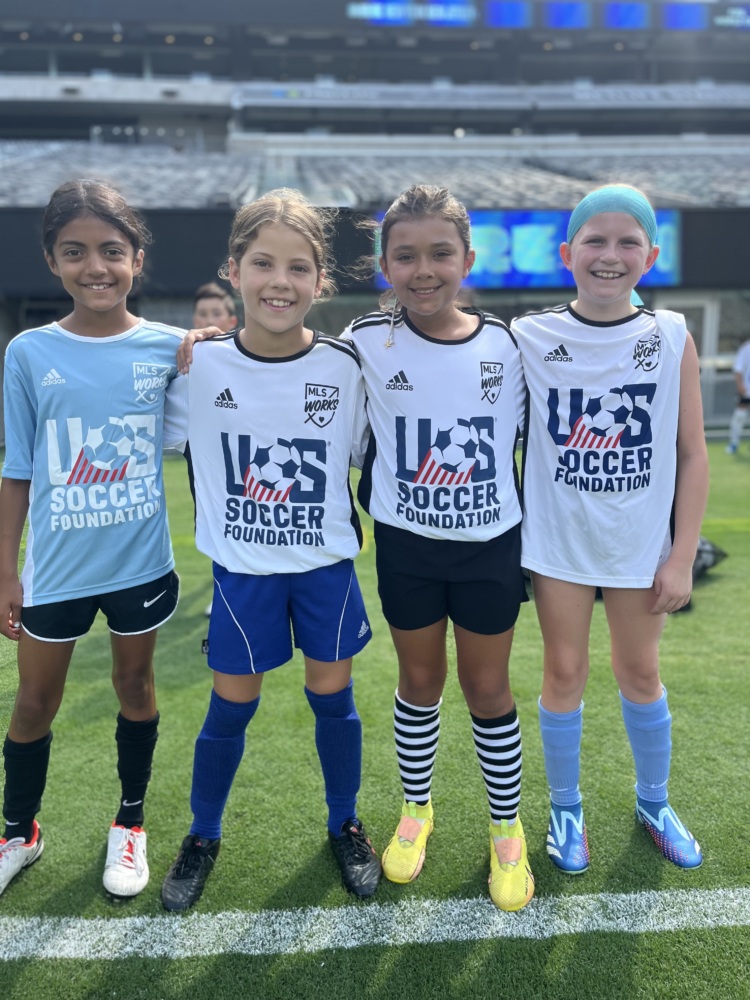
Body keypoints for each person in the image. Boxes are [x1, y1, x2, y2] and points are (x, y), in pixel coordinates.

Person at [161, 189, 380, 911]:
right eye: (263, 263)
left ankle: (344, 821)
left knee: (333, 701)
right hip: (244, 574)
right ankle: (202, 834)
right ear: (233, 269)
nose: (279, 281)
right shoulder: (198, 364)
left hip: (324, 568)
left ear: (321, 281)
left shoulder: (348, 368)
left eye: (298, 267)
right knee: (231, 708)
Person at [511, 184, 709, 874]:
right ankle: (565, 807)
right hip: (559, 544)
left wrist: (682, 555)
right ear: (566, 253)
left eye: (628, 242)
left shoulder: (671, 335)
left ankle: (653, 800)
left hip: (639, 546)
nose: (610, 255)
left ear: (651, 256)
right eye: (595, 240)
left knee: (640, 671)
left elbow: (691, 452)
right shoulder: (529, 335)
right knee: (562, 671)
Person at [348, 185, 533, 912]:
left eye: (440, 253)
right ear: (384, 265)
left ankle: (506, 828)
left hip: (490, 548)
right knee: (419, 683)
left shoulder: (510, 346)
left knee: (488, 689)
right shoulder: (366, 340)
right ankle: (417, 810)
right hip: (407, 547)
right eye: (406, 255)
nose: (423, 269)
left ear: (468, 258)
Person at [0, 179, 185, 899]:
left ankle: (130, 825)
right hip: (56, 571)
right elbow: (16, 470)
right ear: (51, 260)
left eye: (112, 250)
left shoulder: (174, 348)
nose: (96, 267)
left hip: (140, 565)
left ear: (137, 257)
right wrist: (6, 572)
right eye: (75, 252)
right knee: (32, 704)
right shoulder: (28, 352)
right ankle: (20, 831)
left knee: (135, 687)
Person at [190, 282, 239, 617]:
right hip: (205, 458)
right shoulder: (187, 357)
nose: (209, 320)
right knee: (212, 520)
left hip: (242, 456)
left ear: (232, 319)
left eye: (216, 314)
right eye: (202, 314)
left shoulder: (248, 353)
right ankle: (221, 586)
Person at [726, 338, 750, 454]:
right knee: (739, 416)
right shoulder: (746, 348)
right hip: (747, 390)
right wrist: (740, 385)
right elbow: (738, 369)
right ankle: (734, 443)